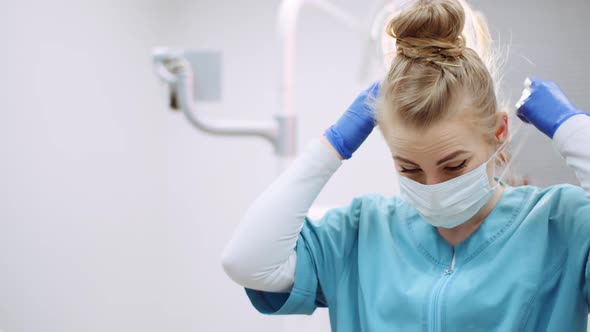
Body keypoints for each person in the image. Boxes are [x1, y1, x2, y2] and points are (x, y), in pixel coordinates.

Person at [221, 0, 590, 330]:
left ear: (499, 132)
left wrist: (572, 129)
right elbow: (246, 261)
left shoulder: (560, 225)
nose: (432, 187)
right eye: (409, 169)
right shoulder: (360, 233)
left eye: (454, 166)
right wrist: (331, 146)